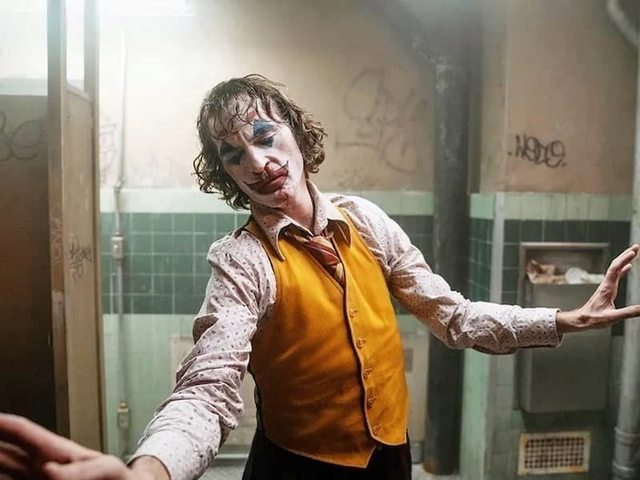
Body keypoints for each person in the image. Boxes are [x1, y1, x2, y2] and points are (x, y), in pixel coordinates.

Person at [1, 74, 640, 480]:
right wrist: (150, 472)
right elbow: (208, 388)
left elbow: (454, 317)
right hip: (298, 469)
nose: (258, 161)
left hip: (391, 457)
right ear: (226, 174)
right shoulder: (241, 259)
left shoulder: (366, 221)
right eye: (234, 154)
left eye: (265, 135)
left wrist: (563, 319)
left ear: (297, 135)